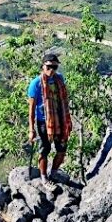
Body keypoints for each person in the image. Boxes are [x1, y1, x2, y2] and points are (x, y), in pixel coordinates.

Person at [26, 53, 72, 182]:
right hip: (43, 122)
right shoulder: (36, 84)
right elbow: (31, 109)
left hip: (60, 119)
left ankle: (54, 173)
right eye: (49, 67)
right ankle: (44, 178)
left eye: (55, 67)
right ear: (43, 66)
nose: (52, 70)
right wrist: (31, 129)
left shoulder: (59, 79)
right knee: (44, 150)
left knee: (62, 149)